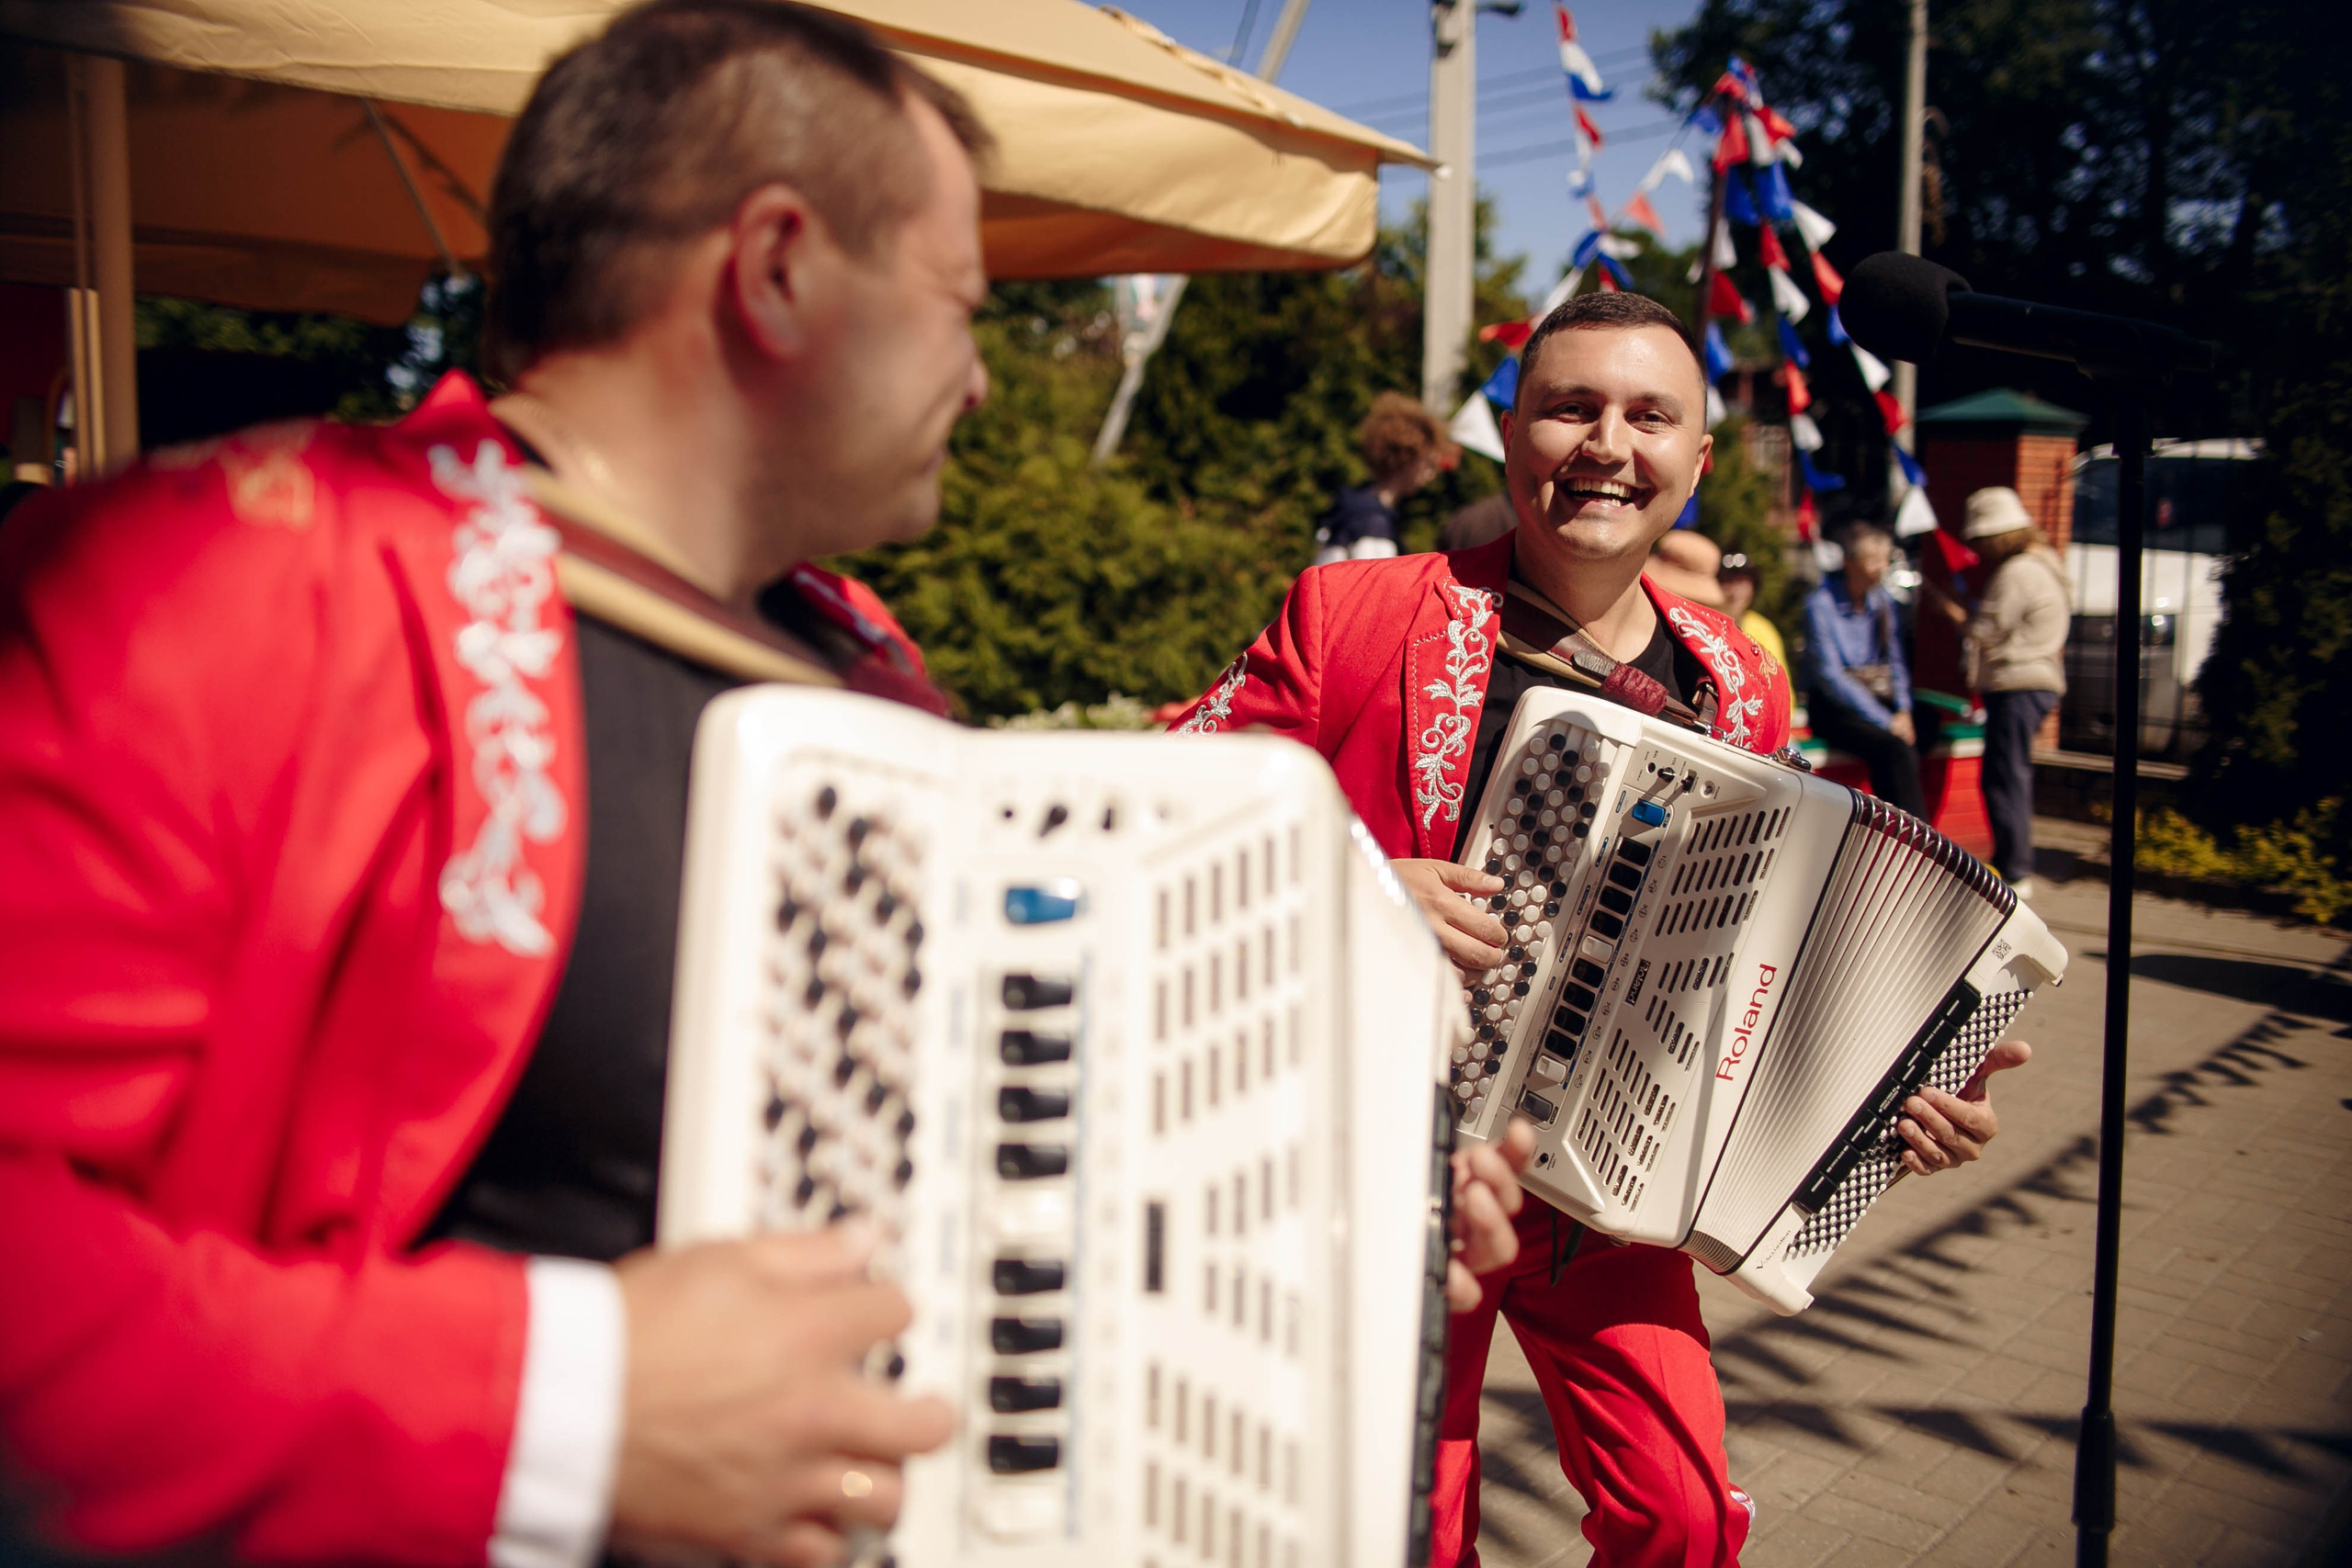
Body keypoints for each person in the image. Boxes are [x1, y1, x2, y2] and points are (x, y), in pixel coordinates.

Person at [0, 6, 992, 1564]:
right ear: (780, 266)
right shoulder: (222, 575)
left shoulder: (867, 666)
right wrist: (565, 1404)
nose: (982, 380)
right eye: (958, 306)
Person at [1169, 290, 2028, 1568]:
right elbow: (1149, 798)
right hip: (1387, 1171)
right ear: (1510, 432)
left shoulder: (1740, 674)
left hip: (1609, 1185)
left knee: (1683, 1517)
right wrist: (1339, 878)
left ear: (1692, 459)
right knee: (1408, 1525)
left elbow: (1765, 936)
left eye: (1648, 415)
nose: (1605, 443)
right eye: (1570, 405)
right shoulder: (1352, 614)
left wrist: (1894, 1094)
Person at [1929, 486, 2070, 896]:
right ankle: (2016, 861)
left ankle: (2016, 868)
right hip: (2034, 681)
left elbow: (1986, 631)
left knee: (2005, 776)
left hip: (2017, 682)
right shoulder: (2043, 562)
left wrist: (1952, 611)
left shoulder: (2018, 572)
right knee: (2009, 772)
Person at [1803, 521, 1928, 818]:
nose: (1880, 568)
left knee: (1927, 725)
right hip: (1835, 706)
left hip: (1876, 695)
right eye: (1872, 560)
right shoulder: (1820, 604)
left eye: (1884, 560)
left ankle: (1891, 818)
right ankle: (1918, 838)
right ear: (1849, 562)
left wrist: (1904, 711)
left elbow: (1896, 661)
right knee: (1894, 748)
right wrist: (1887, 721)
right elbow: (1831, 677)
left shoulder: (1882, 601)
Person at [1313, 391, 1456, 565]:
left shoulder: (1351, 505)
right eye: (1428, 464)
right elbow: (1374, 587)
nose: (1431, 474)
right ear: (1407, 457)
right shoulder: (1373, 522)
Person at [1717, 550, 1793, 727]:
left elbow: (1781, 691)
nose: (1735, 591)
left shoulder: (1764, 630)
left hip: (1759, 721)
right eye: (1728, 581)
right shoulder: (1702, 621)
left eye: (1742, 582)